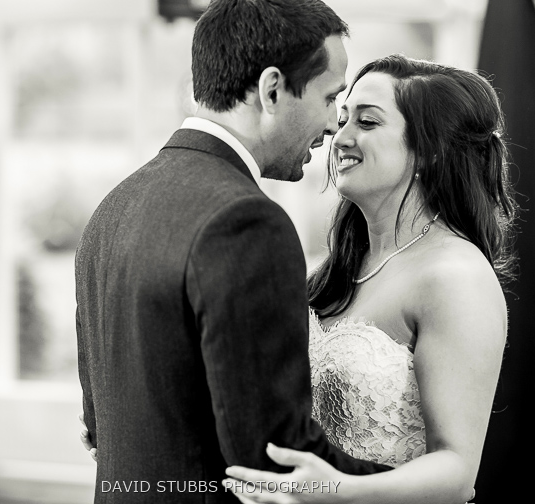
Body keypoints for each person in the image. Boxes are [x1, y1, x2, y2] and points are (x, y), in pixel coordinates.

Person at [75, 0, 392, 504]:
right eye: (330, 96)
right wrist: (411, 485)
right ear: (272, 90)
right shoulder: (245, 221)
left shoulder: (113, 207)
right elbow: (271, 456)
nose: (335, 125)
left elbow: (97, 426)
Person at [221, 54, 517, 504]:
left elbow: (456, 472)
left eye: (367, 122)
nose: (340, 138)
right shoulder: (337, 268)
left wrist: (335, 491)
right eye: (342, 119)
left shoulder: (454, 277)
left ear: (430, 149)